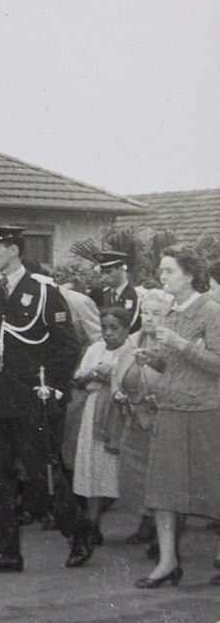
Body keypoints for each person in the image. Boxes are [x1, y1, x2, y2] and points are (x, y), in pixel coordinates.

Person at [0, 226, 91, 574]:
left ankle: (78, 531)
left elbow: (67, 346)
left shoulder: (43, 291)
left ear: (15, 250)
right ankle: (7, 551)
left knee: (41, 473)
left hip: (32, 397)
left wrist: (51, 387)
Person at [133, 247, 220, 588]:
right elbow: (173, 365)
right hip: (170, 409)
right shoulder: (169, 312)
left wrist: (182, 345)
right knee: (164, 489)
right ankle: (168, 562)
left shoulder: (212, 311)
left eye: (168, 271)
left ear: (189, 274)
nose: (163, 277)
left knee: (214, 486)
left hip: (204, 409)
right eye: (162, 270)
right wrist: (152, 358)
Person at [71, 307, 132, 543]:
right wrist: (91, 375)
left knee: (123, 466)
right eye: (104, 327)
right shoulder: (95, 349)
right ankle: (93, 522)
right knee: (94, 465)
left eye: (114, 328)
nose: (108, 333)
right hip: (95, 408)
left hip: (120, 410)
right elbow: (78, 377)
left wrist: (111, 375)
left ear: (127, 330)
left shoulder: (131, 351)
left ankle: (147, 526)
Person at [114, 289, 169, 546]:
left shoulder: (170, 344)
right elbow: (118, 373)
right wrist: (119, 394)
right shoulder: (132, 341)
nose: (149, 318)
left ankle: (166, 535)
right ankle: (146, 521)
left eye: (156, 313)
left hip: (161, 419)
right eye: (146, 312)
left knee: (163, 476)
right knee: (135, 475)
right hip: (133, 418)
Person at [94, 250, 142, 333]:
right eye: (102, 273)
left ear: (121, 269)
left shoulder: (136, 295)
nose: (104, 277)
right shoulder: (105, 294)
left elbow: (131, 325)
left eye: (108, 272)